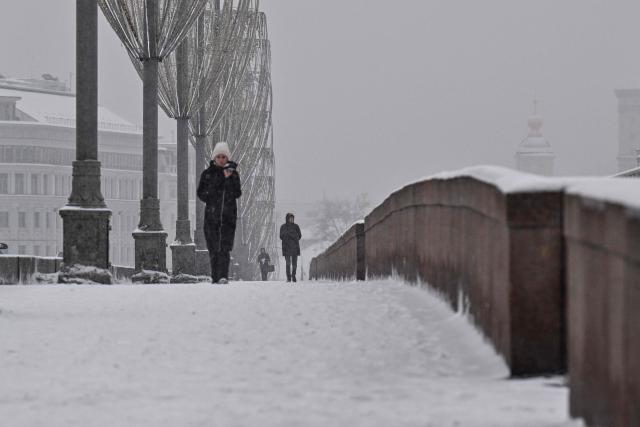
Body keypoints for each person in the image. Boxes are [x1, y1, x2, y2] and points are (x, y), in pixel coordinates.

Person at [197, 142, 242, 284]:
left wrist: (229, 179)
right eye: (219, 156)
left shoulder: (233, 174)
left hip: (228, 218)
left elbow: (237, 193)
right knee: (213, 248)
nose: (222, 159)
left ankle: (223, 276)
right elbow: (201, 194)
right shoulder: (207, 174)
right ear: (214, 158)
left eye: (224, 157)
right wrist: (219, 180)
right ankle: (215, 276)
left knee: (225, 248)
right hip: (211, 217)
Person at [280, 213, 302, 282]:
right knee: (288, 263)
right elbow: (281, 236)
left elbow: (299, 236)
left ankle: (293, 275)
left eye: (293, 218)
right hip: (286, 247)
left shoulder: (296, 226)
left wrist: (292, 234)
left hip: (295, 247)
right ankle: (288, 277)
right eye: (290, 218)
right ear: (287, 219)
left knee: (294, 264)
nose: (292, 219)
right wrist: (288, 234)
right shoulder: (283, 227)